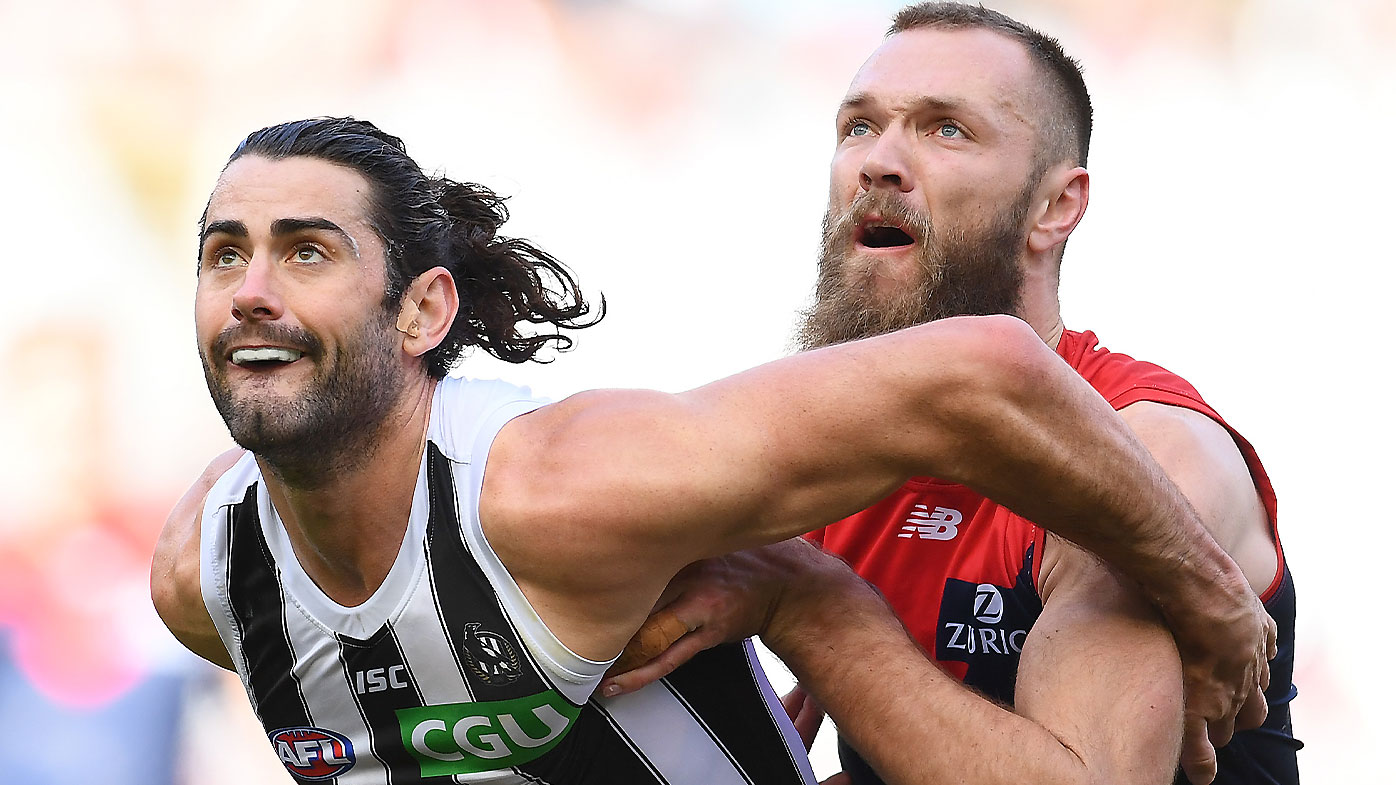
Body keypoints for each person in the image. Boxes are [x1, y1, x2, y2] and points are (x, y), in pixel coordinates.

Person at [150, 116, 1272, 784]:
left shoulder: (559, 489)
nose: (251, 292)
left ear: (422, 311)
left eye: (305, 253)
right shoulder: (203, 581)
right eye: (223, 254)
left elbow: (985, 369)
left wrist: (1211, 597)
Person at [602, 4, 1299, 785]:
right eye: (858, 127)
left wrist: (812, 610)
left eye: (946, 129)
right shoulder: (841, 447)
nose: (879, 162)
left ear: (1054, 206)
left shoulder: (1148, 448)